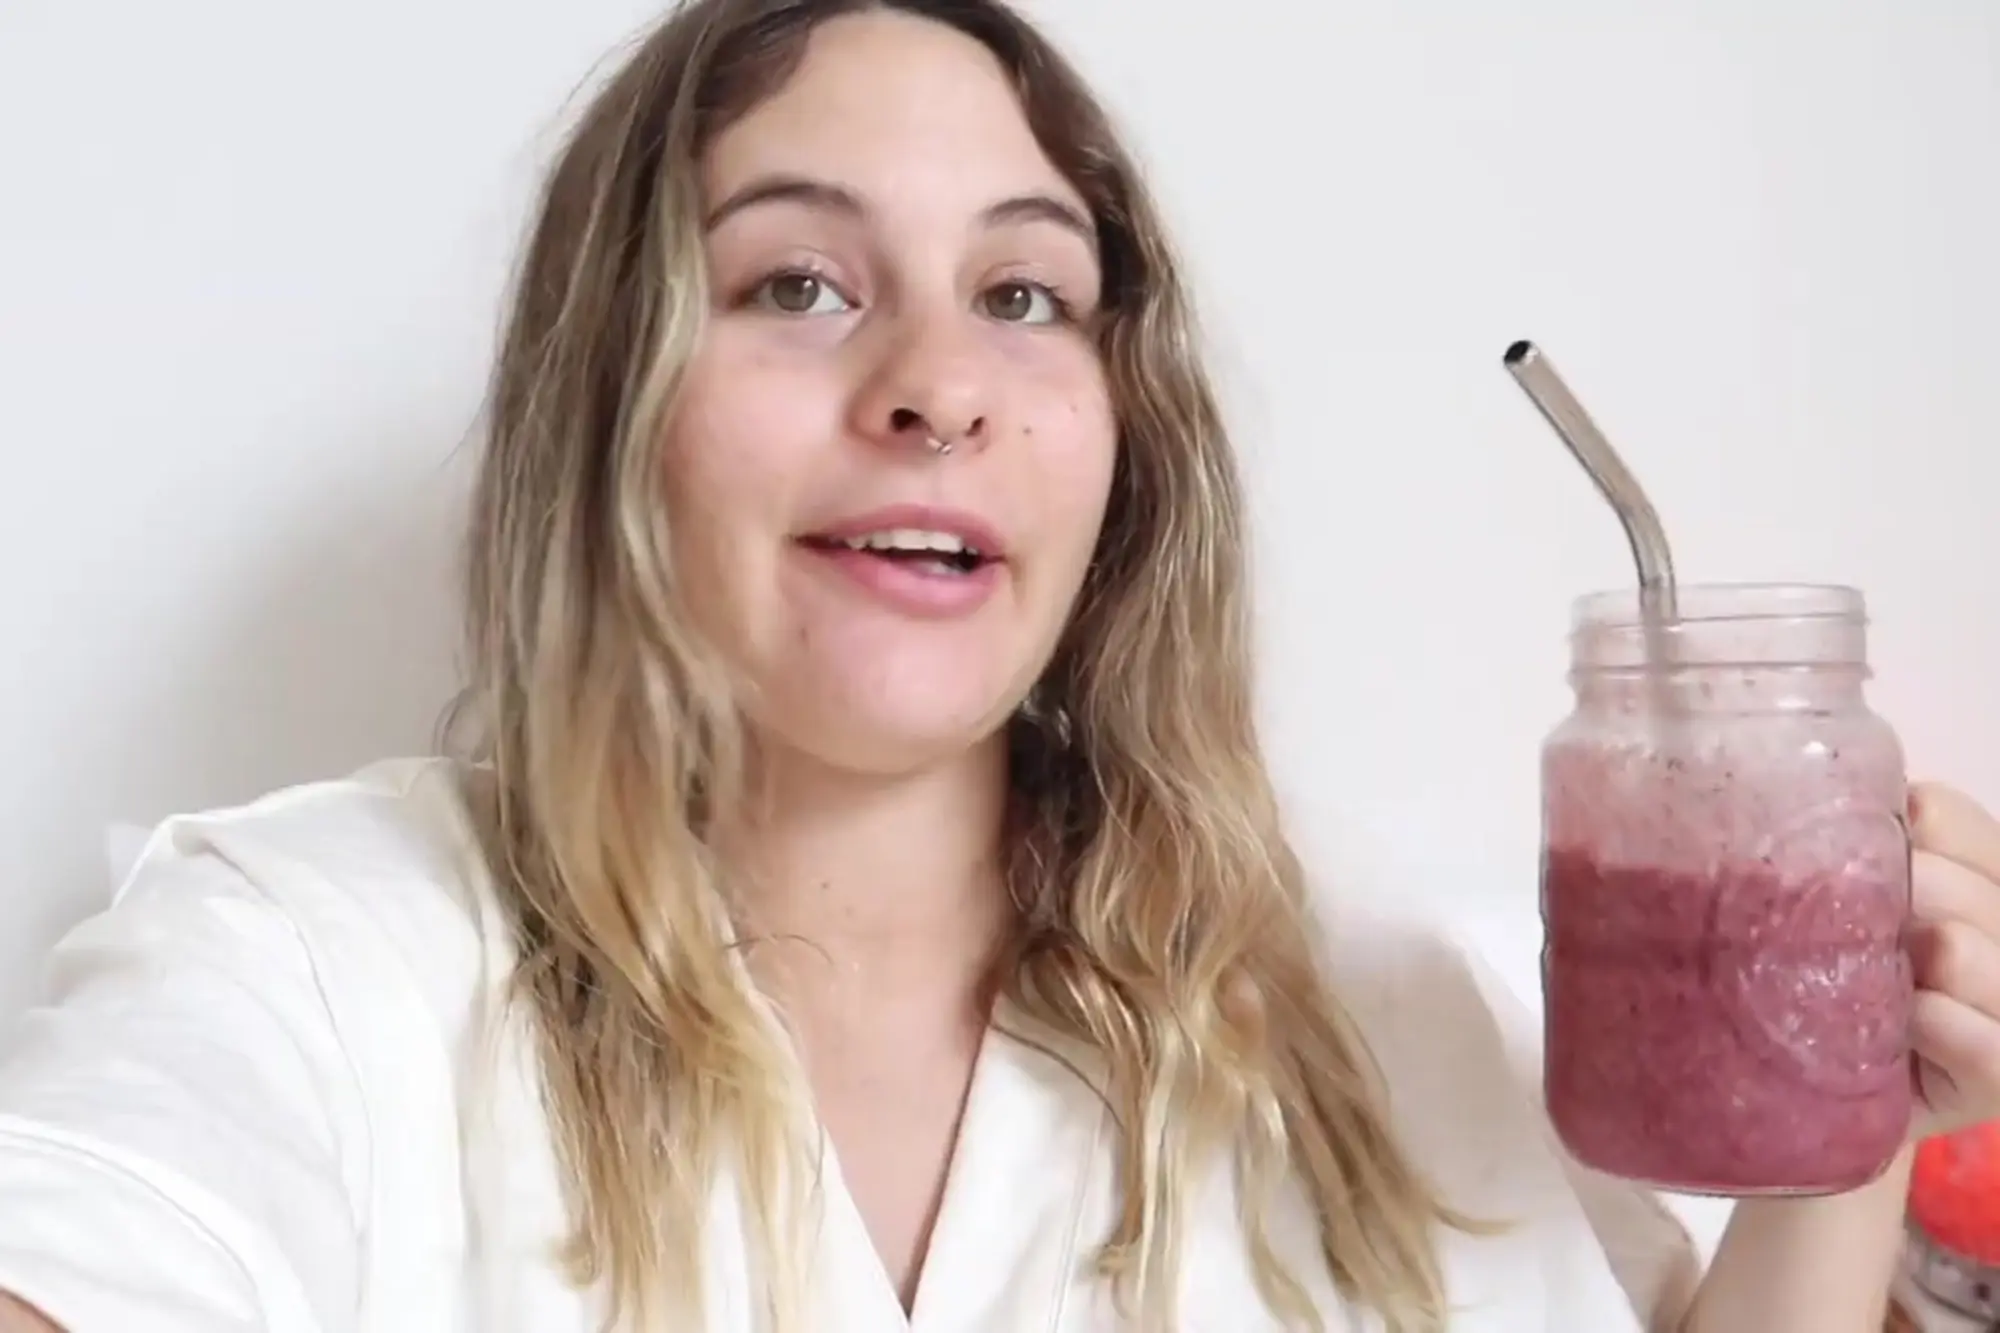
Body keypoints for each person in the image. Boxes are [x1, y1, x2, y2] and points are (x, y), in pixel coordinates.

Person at [1, 1, 1996, 1329]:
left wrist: (1855, 1112)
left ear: (1118, 447)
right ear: (608, 391)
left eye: (1025, 296)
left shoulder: (1364, 1020)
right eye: (797, 282)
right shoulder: (301, 961)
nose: (937, 385)